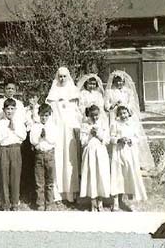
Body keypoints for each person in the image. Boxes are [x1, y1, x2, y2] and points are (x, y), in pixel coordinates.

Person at [104, 71, 154, 170]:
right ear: (114, 81)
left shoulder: (128, 91)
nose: (119, 83)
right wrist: (114, 104)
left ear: (124, 82)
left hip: (126, 114)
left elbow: (132, 104)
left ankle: (133, 160)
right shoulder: (109, 92)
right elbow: (106, 106)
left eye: (121, 82)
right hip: (114, 116)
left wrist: (125, 107)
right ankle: (114, 161)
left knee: (130, 134)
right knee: (115, 135)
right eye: (117, 81)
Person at [46, 66, 82, 203]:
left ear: (68, 77)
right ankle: (58, 192)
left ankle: (71, 192)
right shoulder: (53, 91)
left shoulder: (73, 92)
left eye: (64, 76)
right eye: (60, 76)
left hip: (69, 131)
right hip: (57, 130)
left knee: (70, 160)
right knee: (58, 159)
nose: (62, 79)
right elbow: (48, 111)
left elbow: (77, 112)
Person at [109, 105, 147, 211]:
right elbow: (111, 137)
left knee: (131, 174)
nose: (123, 115)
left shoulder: (133, 124)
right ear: (118, 115)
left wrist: (131, 140)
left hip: (130, 152)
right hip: (118, 152)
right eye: (120, 114)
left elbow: (137, 137)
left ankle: (131, 202)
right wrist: (118, 139)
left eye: (125, 113)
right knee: (118, 174)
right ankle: (116, 201)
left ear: (128, 113)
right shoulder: (115, 124)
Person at [0, 98, 28, 211]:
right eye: (7, 109)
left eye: (12, 109)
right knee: (4, 177)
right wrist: (8, 130)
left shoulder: (19, 123)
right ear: (4, 110)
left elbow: (23, 136)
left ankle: (15, 203)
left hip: (15, 149)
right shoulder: (1, 123)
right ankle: (5, 203)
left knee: (15, 176)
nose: (10, 111)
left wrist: (14, 129)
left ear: (15, 110)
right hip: (4, 150)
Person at [79, 105, 111, 212]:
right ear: (89, 115)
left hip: (100, 152)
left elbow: (106, 140)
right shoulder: (84, 125)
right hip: (90, 152)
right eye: (92, 115)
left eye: (97, 115)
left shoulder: (103, 124)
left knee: (100, 174)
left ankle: (100, 200)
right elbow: (83, 142)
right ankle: (92, 202)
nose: (95, 118)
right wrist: (90, 135)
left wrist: (98, 135)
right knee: (91, 175)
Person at [29, 103, 59, 210]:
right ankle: (40, 203)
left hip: (49, 155)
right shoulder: (35, 126)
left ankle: (49, 202)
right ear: (38, 115)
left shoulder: (52, 126)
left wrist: (46, 136)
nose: (44, 118)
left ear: (49, 115)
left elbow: (54, 140)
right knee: (39, 181)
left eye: (46, 115)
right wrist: (39, 137)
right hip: (39, 155)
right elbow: (32, 141)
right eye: (42, 115)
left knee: (50, 180)